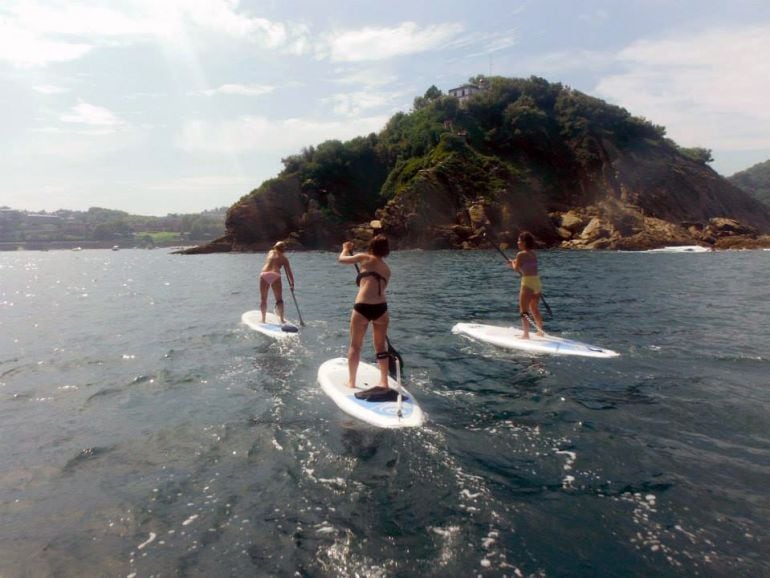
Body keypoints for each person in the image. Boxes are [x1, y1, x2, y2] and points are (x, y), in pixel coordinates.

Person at [338, 235, 391, 389]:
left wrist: (345, 249)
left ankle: (352, 382)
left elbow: (341, 259)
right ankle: (384, 382)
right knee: (381, 347)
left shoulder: (364, 257)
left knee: (355, 346)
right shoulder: (387, 270)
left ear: (371, 246)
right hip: (381, 309)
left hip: (362, 306)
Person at [508, 231, 545, 339]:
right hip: (537, 283)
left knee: (523, 310)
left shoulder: (520, 254)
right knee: (534, 308)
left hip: (527, 282)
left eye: (519, 240)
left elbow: (516, 268)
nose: (517, 242)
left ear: (524, 242)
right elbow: (525, 263)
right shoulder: (533, 253)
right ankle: (540, 331)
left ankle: (526, 335)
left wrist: (512, 264)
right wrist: (514, 261)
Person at [259, 241, 295, 324]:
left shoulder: (270, 252)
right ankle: (282, 319)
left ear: (275, 247)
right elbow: (289, 272)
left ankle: (263, 320)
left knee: (263, 299)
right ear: (284, 249)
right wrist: (292, 284)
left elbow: (274, 258)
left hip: (264, 274)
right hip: (276, 274)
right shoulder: (285, 258)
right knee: (279, 300)